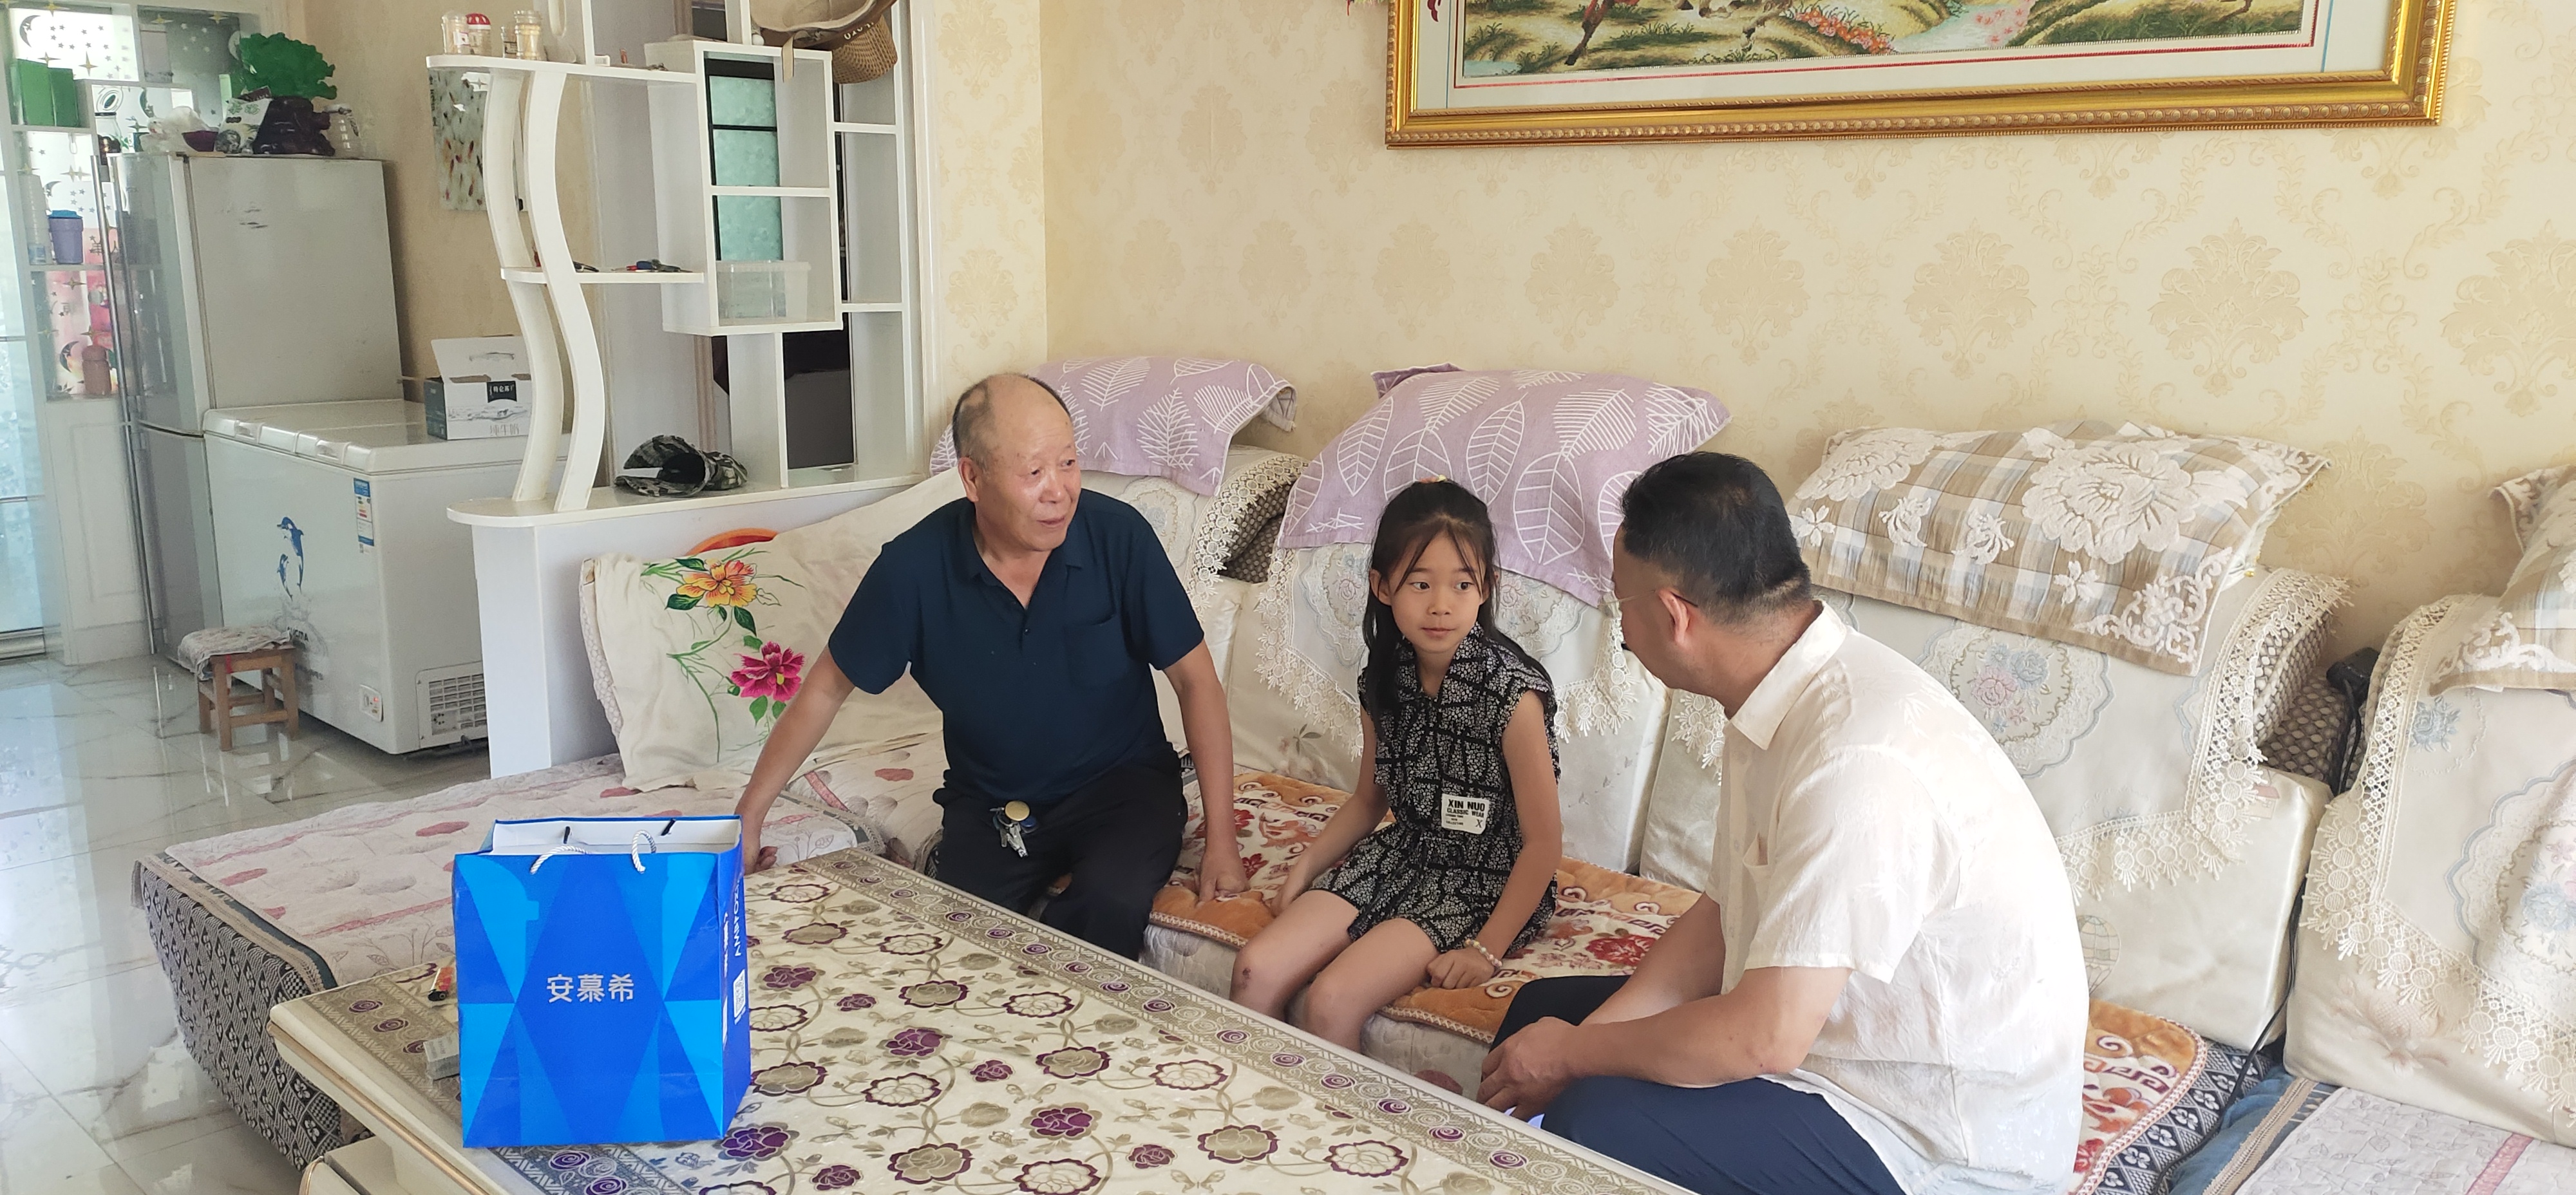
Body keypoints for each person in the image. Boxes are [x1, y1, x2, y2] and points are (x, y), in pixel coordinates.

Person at [1476, 453, 2085, 1195]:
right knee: (1540, 1018)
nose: (1621, 626)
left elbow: (1763, 1036)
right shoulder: (1778, 687)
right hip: (1833, 1046)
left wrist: (1575, 1059)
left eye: (1620, 601)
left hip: (1930, 1136)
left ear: (1674, 615)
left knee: (1597, 1116)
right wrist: (1575, 1044)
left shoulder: (1855, 761)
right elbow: (1723, 915)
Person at [730, 374, 1247, 957]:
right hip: (996, 805)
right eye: (1033, 472)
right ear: (972, 478)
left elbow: (1195, 681)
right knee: (950, 940)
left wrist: (1222, 842)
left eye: (1069, 463)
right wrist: (748, 819)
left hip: (1124, 790)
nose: (1059, 491)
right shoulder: (915, 569)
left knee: (1109, 900)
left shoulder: (1118, 538)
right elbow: (826, 687)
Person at [1229, 480, 1563, 1051]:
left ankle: (1336, 1113)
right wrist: (1307, 866)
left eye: (1462, 584)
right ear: (1383, 587)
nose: (1441, 605)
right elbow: (1369, 800)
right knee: (1254, 970)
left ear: (1487, 587)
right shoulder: (1384, 678)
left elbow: (1544, 844)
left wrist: (1485, 950)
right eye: (1420, 583)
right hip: (1403, 854)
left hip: (1482, 880)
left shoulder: (1513, 695)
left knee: (1331, 1000)